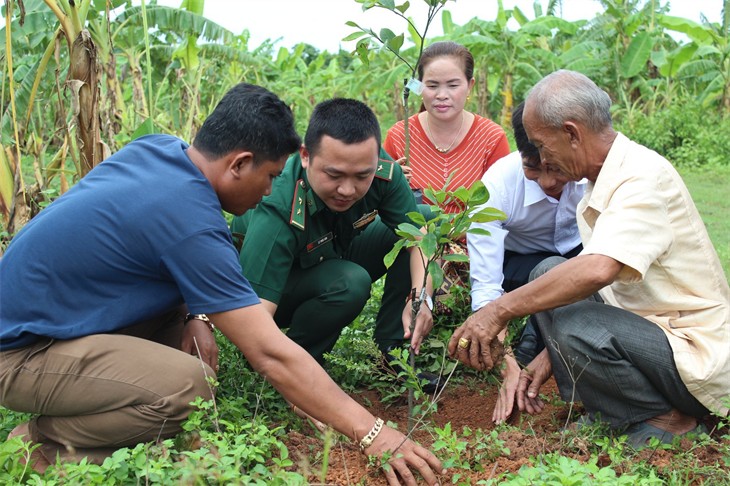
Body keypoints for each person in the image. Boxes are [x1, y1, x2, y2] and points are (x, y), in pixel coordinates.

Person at [0, 83, 444, 484]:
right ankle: (38, 447)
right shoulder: (191, 220)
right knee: (187, 385)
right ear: (239, 164)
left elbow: (148, 253)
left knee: (186, 365)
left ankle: (119, 420)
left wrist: (193, 313)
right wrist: (372, 431)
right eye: (270, 176)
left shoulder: (161, 151)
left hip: (57, 320)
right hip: (21, 350)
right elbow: (269, 351)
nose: (271, 191)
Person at [448, 70, 729, 448]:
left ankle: (669, 420)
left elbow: (598, 270)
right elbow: (611, 292)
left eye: (542, 146)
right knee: (548, 271)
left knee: (575, 319)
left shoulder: (640, 179)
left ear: (572, 133)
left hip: (695, 358)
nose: (541, 159)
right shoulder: (605, 176)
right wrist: (548, 359)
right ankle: (620, 409)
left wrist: (497, 312)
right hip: (656, 334)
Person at [230, 98, 442, 393]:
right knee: (349, 282)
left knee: (425, 220)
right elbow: (252, 321)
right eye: (334, 175)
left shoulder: (380, 171)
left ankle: (395, 352)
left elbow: (418, 238)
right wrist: (284, 374)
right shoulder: (278, 206)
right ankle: (303, 364)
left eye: (361, 176)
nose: (347, 190)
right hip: (271, 288)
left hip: (330, 250)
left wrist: (422, 299)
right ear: (306, 156)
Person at [468, 101, 585, 424]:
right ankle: (525, 351)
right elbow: (487, 287)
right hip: (518, 264)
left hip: (580, 255)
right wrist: (507, 366)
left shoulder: (593, 176)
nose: (547, 182)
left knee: (562, 269)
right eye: (533, 168)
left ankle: (538, 344)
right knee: (547, 267)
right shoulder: (497, 186)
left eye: (556, 168)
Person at [383, 41, 511, 213]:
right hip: (414, 237)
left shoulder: (491, 138)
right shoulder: (399, 136)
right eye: (432, 86)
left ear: (470, 86)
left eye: (452, 85)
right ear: (419, 87)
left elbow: (502, 204)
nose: (442, 95)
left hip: (474, 238)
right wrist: (392, 185)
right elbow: (377, 202)